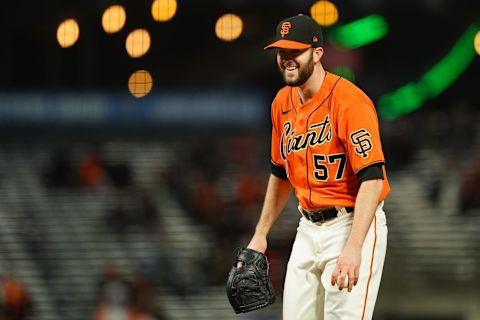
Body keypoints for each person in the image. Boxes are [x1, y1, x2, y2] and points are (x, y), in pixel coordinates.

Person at [240, 14, 390, 319]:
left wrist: (354, 247)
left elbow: (372, 179)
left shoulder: (350, 102)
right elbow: (280, 173)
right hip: (307, 228)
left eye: (296, 51)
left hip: (350, 224)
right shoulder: (281, 102)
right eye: (282, 53)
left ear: (318, 53)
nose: (287, 59)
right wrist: (260, 234)